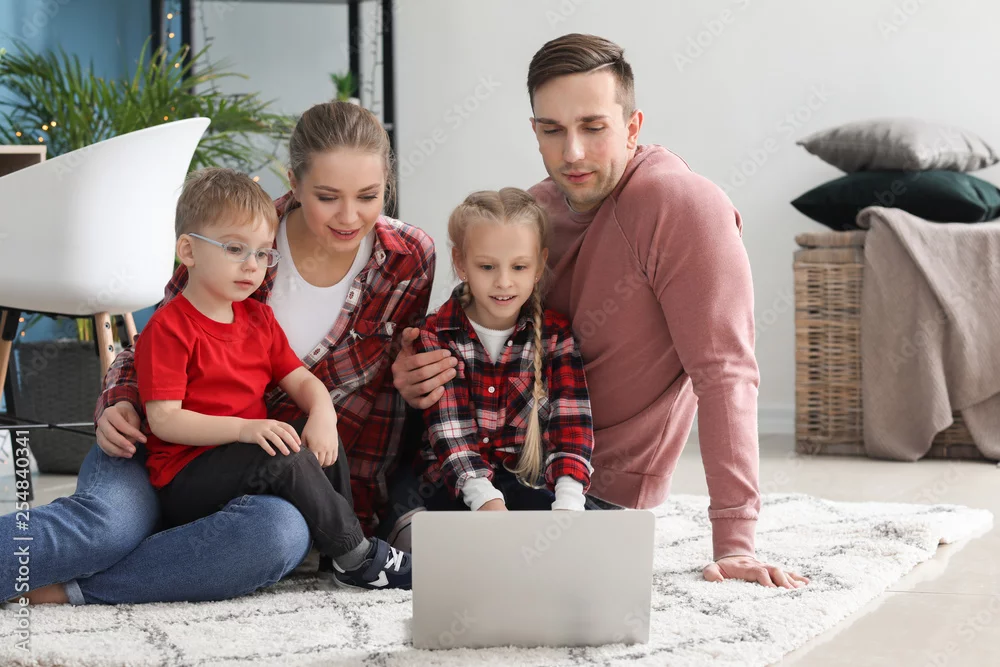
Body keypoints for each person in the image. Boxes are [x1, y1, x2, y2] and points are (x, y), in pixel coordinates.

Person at [391, 34, 808, 589]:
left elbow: (725, 372)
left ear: (633, 127)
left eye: (593, 127)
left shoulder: (683, 206)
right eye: (552, 130)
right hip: (483, 456)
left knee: (481, 566)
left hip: (585, 482)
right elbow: (474, 324)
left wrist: (735, 543)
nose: (572, 153)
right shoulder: (534, 210)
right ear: (534, 130)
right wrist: (415, 369)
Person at [3, 101, 433, 604]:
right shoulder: (235, 230)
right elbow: (159, 344)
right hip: (156, 451)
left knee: (277, 536)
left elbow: (378, 395)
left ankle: (76, 587)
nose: (349, 216)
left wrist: (401, 381)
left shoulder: (407, 260)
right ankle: (148, 554)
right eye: (326, 196)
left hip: (267, 476)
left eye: (369, 196)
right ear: (294, 183)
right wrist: (118, 399)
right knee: (108, 529)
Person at [134, 167, 411, 590]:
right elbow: (165, 420)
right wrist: (246, 430)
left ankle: (336, 557)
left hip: (243, 461)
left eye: (263, 254)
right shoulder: (170, 328)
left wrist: (322, 413)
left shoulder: (258, 318)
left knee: (317, 434)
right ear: (188, 251)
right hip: (185, 477)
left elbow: (301, 380)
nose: (252, 265)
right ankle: (357, 554)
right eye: (235, 249)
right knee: (282, 454)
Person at [408, 188, 593, 521]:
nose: (504, 282)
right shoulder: (438, 334)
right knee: (430, 522)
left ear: (539, 266)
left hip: (525, 479)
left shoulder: (555, 336)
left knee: (569, 527)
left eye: (519, 267)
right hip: (455, 481)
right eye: (487, 266)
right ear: (461, 263)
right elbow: (450, 430)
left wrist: (568, 501)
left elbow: (572, 425)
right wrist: (487, 502)